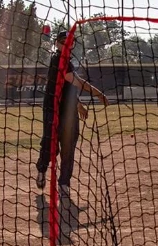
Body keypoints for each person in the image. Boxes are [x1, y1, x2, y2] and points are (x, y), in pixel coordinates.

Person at [35, 29, 108, 198]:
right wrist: (98, 94)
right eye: (62, 42)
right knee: (50, 145)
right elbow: (77, 82)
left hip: (68, 112)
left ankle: (64, 183)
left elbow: (68, 89)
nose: (66, 45)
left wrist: (78, 105)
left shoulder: (68, 61)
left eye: (69, 42)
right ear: (57, 44)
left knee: (68, 147)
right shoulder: (58, 61)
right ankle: (41, 170)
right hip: (52, 111)